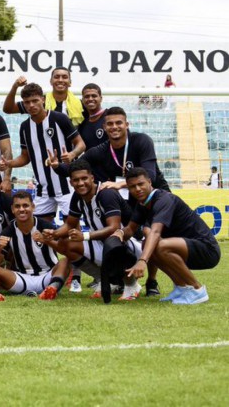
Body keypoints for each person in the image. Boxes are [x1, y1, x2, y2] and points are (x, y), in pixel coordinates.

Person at [50, 106, 168, 296]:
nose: (114, 127)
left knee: (152, 234)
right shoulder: (101, 150)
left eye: (118, 123)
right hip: (126, 199)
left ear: (127, 124)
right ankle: (113, 280)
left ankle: (152, 281)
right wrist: (57, 166)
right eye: (110, 124)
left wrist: (119, 184)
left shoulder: (141, 141)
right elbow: (76, 169)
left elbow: (150, 176)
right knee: (123, 235)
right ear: (104, 127)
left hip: (151, 195)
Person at [115, 168, 221, 305]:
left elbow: (155, 232)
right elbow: (130, 229)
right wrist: (118, 234)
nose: (138, 189)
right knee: (147, 244)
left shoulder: (164, 199)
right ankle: (182, 288)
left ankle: (197, 290)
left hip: (207, 250)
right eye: (132, 186)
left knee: (158, 245)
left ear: (149, 182)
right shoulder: (142, 204)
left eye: (141, 184)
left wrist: (142, 260)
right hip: (185, 248)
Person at [43, 160, 143, 300]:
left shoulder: (106, 194)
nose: (80, 183)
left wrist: (85, 236)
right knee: (65, 244)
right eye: (76, 180)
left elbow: (114, 228)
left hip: (129, 243)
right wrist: (54, 233)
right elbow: (70, 224)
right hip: (103, 242)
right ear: (71, 182)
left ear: (92, 178)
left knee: (114, 243)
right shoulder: (77, 196)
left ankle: (132, 285)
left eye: (84, 178)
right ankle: (106, 280)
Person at [0, 82, 86, 222]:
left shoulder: (59, 118)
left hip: (66, 186)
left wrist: (72, 154)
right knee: (40, 230)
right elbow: (25, 157)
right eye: (27, 102)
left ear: (43, 99)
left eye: (35, 101)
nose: (31, 105)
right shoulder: (25, 127)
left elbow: (81, 144)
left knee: (72, 229)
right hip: (43, 189)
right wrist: (10, 163)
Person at [0, 191, 70, 301]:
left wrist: (47, 241)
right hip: (22, 278)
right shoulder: (8, 231)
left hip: (48, 276)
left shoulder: (45, 226)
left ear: (33, 207)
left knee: (65, 261)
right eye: (17, 206)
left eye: (25, 205)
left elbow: (65, 250)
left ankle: (52, 289)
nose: (21, 209)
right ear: (12, 209)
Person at [3, 68, 85, 127]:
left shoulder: (80, 105)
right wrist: (15, 87)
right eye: (56, 77)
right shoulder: (39, 102)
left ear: (70, 82)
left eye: (64, 77)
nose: (60, 80)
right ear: (51, 81)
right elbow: (8, 109)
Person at [77, 83, 108, 148]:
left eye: (94, 96)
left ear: (101, 98)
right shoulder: (82, 123)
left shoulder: (110, 117)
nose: (90, 99)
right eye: (87, 96)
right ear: (82, 100)